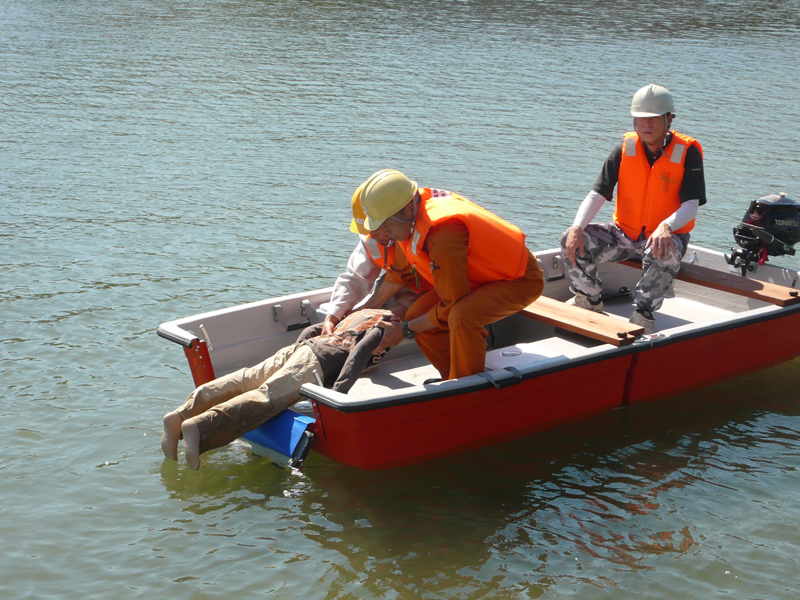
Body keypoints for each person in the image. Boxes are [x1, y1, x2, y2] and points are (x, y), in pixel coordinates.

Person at [359, 169, 545, 381]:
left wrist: (405, 330)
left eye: (385, 226)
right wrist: (365, 310)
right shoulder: (409, 219)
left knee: (462, 316)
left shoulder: (443, 233)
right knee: (416, 312)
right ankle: (452, 379)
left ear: (407, 208)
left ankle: (467, 387)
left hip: (518, 278)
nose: (380, 234)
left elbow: (452, 303)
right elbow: (399, 275)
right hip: (478, 278)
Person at [161, 308, 401, 470]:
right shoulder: (387, 325)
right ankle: (198, 426)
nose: (394, 343)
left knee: (245, 380)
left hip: (301, 350)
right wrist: (335, 397)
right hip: (318, 362)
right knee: (266, 399)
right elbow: (358, 354)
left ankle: (182, 414)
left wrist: (294, 357)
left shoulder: (362, 313)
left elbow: (313, 330)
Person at [560, 83, 706, 334]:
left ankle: (643, 314)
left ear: (669, 119)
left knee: (665, 250)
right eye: (640, 119)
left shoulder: (687, 152)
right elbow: (597, 194)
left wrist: (666, 226)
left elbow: (691, 205)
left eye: (653, 119)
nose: (646, 125)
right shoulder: (623, 150)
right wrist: (577, 226)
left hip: (665, 236)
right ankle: (589, 299)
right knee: (570, 239)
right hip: (624, 234)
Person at [320, 173, 432, 336]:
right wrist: (332, 317)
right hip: (407, 292)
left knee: (406, 304)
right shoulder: (371, 240)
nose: (371, 235)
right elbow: (354, 278)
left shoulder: (428, 235)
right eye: (366, 230)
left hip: (434, 297)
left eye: (373, 228)